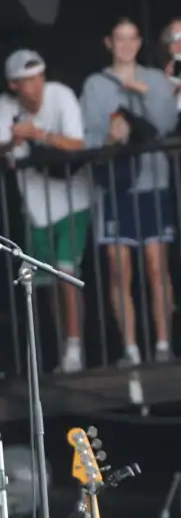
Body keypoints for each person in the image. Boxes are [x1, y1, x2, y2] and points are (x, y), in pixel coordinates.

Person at [80, 17, 179, 367]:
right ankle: (132, 350)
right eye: (118, 39)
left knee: (156, 266)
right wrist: (110, 137)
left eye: (131, 38)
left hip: (153, 181)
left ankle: (164, 345)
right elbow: (88, 138)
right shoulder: (95, 84)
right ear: (109, 42)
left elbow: (167, 126)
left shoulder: (154, 80)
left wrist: (142, 92)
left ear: (139, 42)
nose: (125, 45)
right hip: (114, 185)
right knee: (119, 270)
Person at [0, 49, 91, 373]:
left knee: (67, 274)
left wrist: (39, 134)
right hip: (36, 206)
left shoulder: (60, 95)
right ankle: (64, 350)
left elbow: (78, 144)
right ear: (14, 85)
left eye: (38, 77)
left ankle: (75, 350)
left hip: (72, 200)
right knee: (50, 282)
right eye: (27, 81)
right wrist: (12, 140)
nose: (35, 86)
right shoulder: (5, 108)